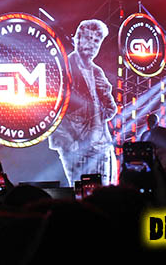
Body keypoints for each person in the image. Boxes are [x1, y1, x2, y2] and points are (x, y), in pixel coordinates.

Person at [49, 19, 118, 186]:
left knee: (105, 192)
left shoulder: (97, 72)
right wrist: (69, 143)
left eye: (96, 40)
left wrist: (99, 108)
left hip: (102, 145)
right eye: (88, 38)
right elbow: (51, 111)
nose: (92, 44)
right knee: (81, 191)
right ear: (77, 39)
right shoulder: (64, 69)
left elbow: (111, 109)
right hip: (78, 147)